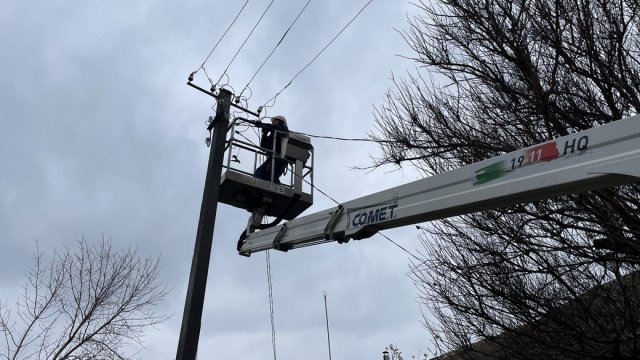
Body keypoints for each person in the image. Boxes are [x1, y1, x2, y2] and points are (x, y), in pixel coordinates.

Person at [254, 115, 289, 184]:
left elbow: (276, 127)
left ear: (279, 121)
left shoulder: (283, 128)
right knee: (259, 173)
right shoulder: (273, 135)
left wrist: (262, 125)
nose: (272, 123)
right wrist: (265, 134)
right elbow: (263, 147)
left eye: (274, 121)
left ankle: (278, 190)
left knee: (271, 172)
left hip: (280, 158)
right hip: (271, 159)